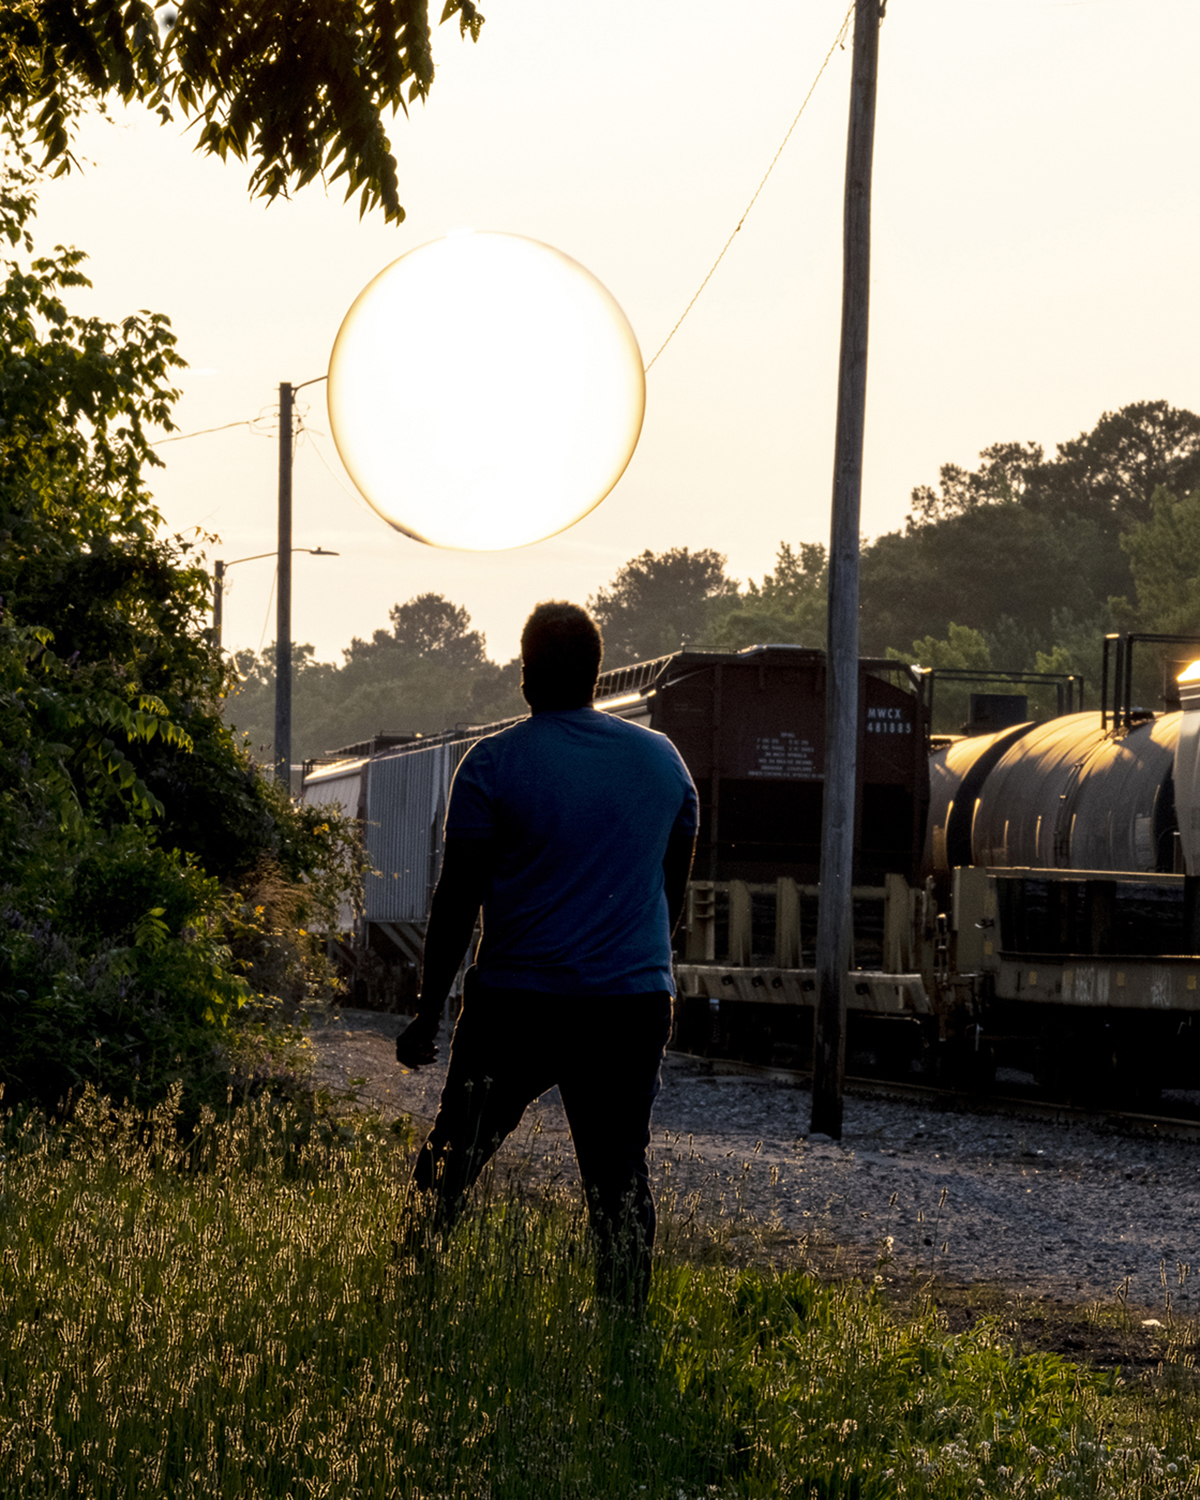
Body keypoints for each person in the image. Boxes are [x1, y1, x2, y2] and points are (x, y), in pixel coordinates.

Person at [396, 600, 697, 1306]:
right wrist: (635, 961)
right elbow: (670, 893)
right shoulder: (664, 764)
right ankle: (624, 1323)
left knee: (453, 1156)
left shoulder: (492, 765)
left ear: (525, 676)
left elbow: (457, 900)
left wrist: (427, 1012)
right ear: (596, 674)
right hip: (629, 1004)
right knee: (619, 1173)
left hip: (516, 1006)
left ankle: (410, 1289)